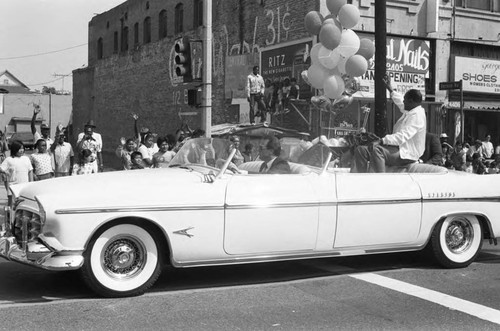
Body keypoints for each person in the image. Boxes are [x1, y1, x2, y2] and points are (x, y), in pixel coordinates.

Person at [351, 75, 426, 173]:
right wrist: (390, 88)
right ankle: (362, 178)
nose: (403, 102)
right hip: (396, 149)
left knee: (377, 151)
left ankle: (381, 182)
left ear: (411, 101)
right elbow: (399, 101)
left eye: (405, 100)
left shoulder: (417, 116)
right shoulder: (411, 109)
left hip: (407, 154)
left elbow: (402, 137)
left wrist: (381, 141)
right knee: (361, 150)